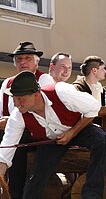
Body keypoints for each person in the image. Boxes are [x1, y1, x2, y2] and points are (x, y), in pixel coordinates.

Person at [0, 71, 106, 198]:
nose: (16, 103)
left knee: (103, 140)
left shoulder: (61, 92)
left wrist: (72, 132)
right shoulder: (18, 115)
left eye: (21, 99)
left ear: (36, 94)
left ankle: (92, 195)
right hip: (52, 141)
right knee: (34, 185)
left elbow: (94, 108)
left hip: (78, 128)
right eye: (14, 98)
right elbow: (8, 145)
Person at [0, 41, 53, 198]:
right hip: (11, 131)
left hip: (38, 134)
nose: (22, 62)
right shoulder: (7, 84)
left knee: (17, 141)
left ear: (36, 62)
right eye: (19, 59)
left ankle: (16, 192)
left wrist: (11, 121)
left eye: (28, 58)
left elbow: (41, 113)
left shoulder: (44, 81)